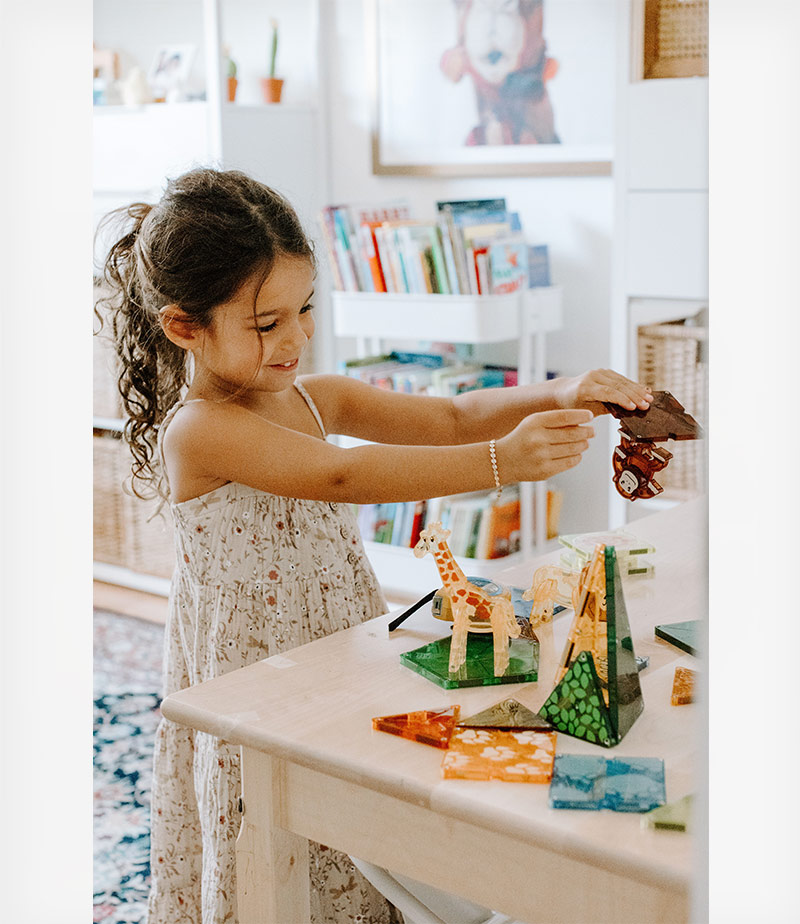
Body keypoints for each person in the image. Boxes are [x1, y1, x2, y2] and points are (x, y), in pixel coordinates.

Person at [99, 167, 652, 924]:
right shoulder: (200, 430)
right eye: (266, 323)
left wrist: (561, 390)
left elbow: (454, 416)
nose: (296, 338)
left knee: (349, 818)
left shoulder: (315, 397)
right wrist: (503, 464)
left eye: (305, 309)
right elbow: (342, 474)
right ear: (184, 327)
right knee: (272, 831)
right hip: (254, 675)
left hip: (333, 644)